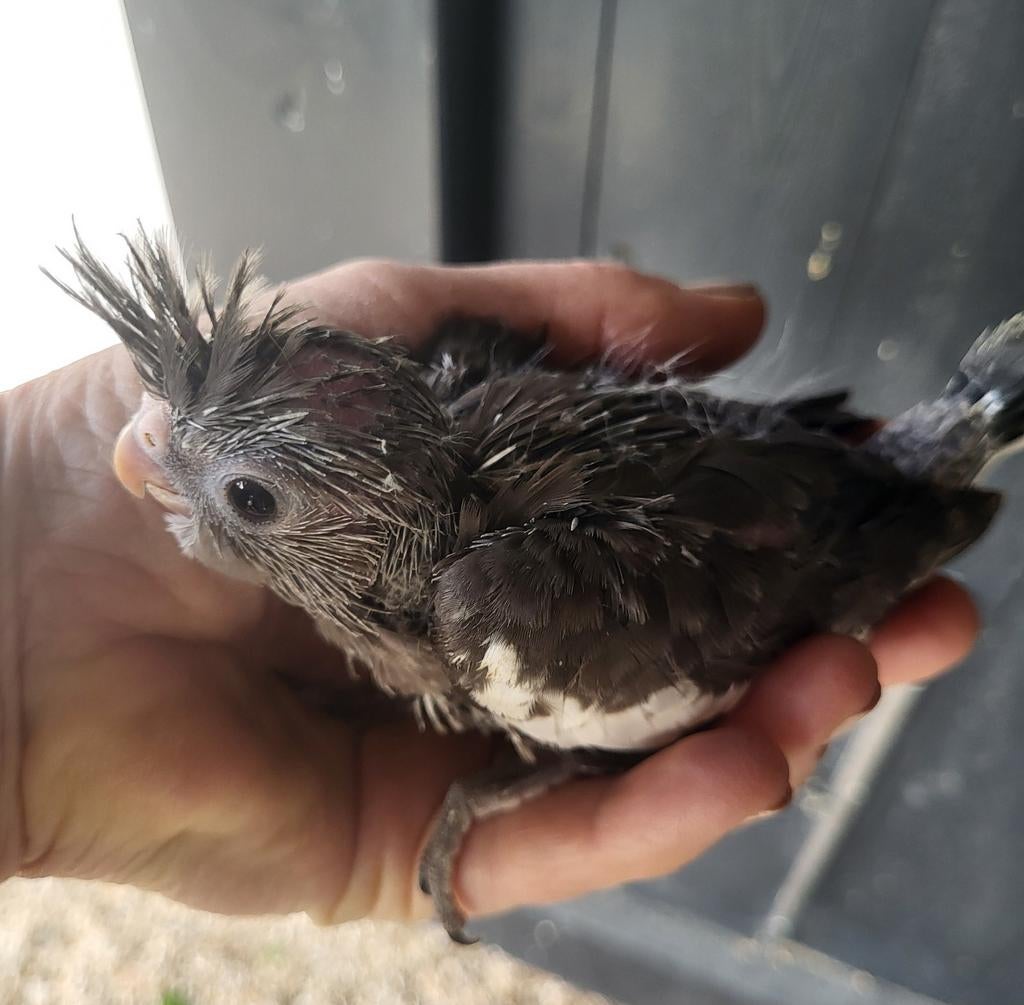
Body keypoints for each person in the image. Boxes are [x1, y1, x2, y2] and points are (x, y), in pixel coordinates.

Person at [0, 258, 979, 926]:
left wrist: (506, 779)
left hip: (825, 535)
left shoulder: (500, 614)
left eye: (249, 499)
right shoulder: (462, 385)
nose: (139, 456)